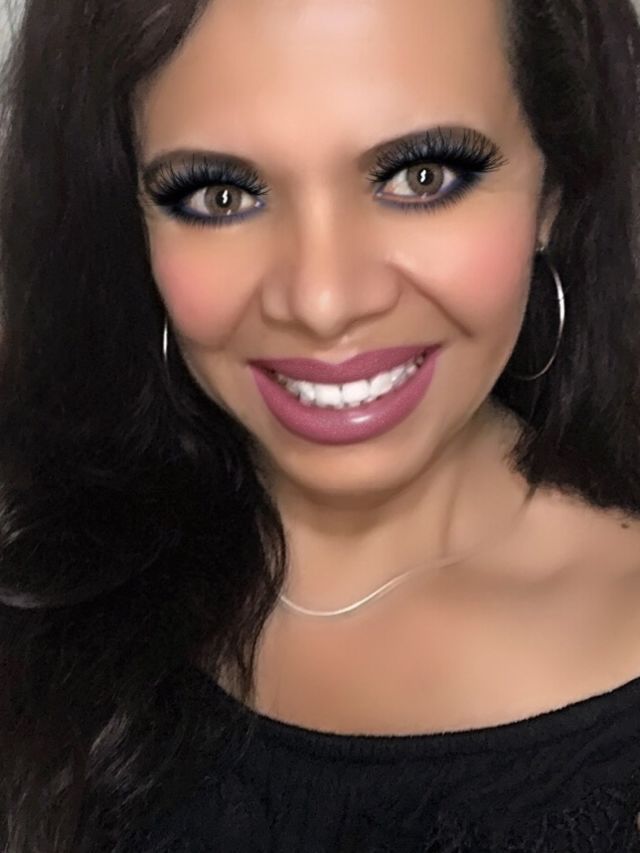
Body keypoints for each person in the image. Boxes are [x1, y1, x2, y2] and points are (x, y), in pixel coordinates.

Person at [1, 0, 640, 849]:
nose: (322, 301)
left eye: (421, 176)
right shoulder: (38, 556)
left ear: (551, 191)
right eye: (220, 195)